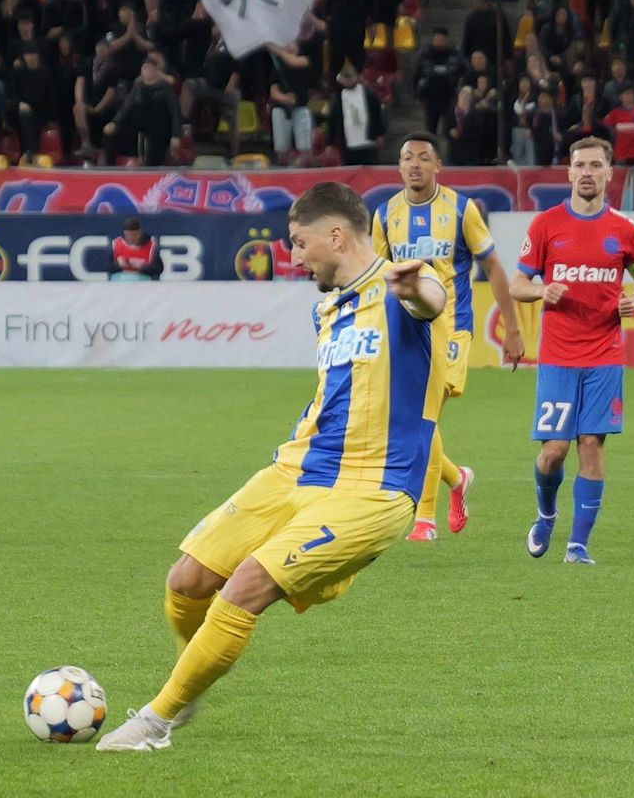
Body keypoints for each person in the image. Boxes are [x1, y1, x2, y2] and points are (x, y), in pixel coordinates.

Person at [94, 181, 448, 752]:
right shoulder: (327, 308)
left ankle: (156, 722)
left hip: (372, 489)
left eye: (299, 242)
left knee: (245, 587)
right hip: (297, 470)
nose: (294, 256)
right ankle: (191, 677)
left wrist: (415, 288)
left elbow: (429, 299)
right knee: (186, 580)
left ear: (337, 235)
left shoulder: (402, 284)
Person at [509, 136, 634, 565]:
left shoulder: (626, 231)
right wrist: (542, 291)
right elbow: (517, 284)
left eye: (595, 165)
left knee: (591, 443)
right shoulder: (546, 225)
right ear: (569, 172)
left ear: (610, 172)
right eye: (580, 165)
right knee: (554, 451)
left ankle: (578, 546)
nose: (587, 172)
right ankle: (546, 514)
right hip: (558, 357)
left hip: (605, 355)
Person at [372, 132, 525, 542]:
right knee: (413, 419)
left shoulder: (461, 209)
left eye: (424, 157)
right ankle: (457, 479)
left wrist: (512, 328)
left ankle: (425, 519)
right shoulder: (385, 214)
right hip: (406, 329)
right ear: (399, 166)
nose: (415, 164)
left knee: (426, 415)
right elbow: (377, 277)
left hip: (452, 328)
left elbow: (494, 267)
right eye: (407, 158)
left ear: (438, 165)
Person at [107, 215, 162, 280]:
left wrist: (143, 267)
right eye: (128, 235)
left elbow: (158, 269)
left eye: (134, 235)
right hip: (119, 282)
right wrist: (119, 265)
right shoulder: (116, 244)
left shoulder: (151, 246)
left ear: (140, 232)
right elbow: (107, 266)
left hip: (143, 282)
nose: (131, 237)